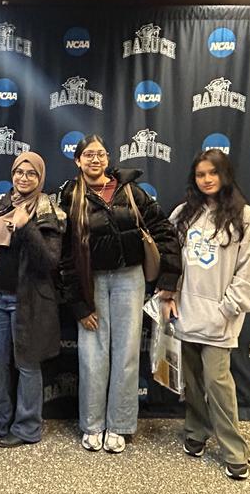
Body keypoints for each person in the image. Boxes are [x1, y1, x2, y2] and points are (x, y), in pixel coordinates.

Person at [58, 134, 180, 453]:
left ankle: (120, 425)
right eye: (88, 154)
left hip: (130, 277)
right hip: (91, 281)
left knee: (126, 353)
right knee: (92, 353)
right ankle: (92, 424)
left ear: (108, 158)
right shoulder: (70, 195)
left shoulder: (130, 190)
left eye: (100, 153)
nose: (95, 159)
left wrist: (169, 278)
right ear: (78, 161)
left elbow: (163, 230)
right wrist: (79, 304)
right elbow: (65, 254)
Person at [169, 149, 250, 481]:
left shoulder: (244, 216)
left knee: (218, 383)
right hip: (186, 313)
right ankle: (196, 432)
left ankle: (233, 450)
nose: (207, 179)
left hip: (220, 318)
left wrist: (228, 307)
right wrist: (168, 296)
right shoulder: (183, 214)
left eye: (213, 173)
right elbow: (170, 259)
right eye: (200, 174)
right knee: (192, 381)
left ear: (225, 175)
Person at [0, 152, 66, 448]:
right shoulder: (2, 205)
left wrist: (26, 227)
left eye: (31, 173)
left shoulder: (48, 212)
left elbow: (49, 261)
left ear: (40, 177)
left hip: (30, 302)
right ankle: (1, 421)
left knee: (27, 365)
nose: (24, 178)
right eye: (19, 172)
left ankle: (27, 428)